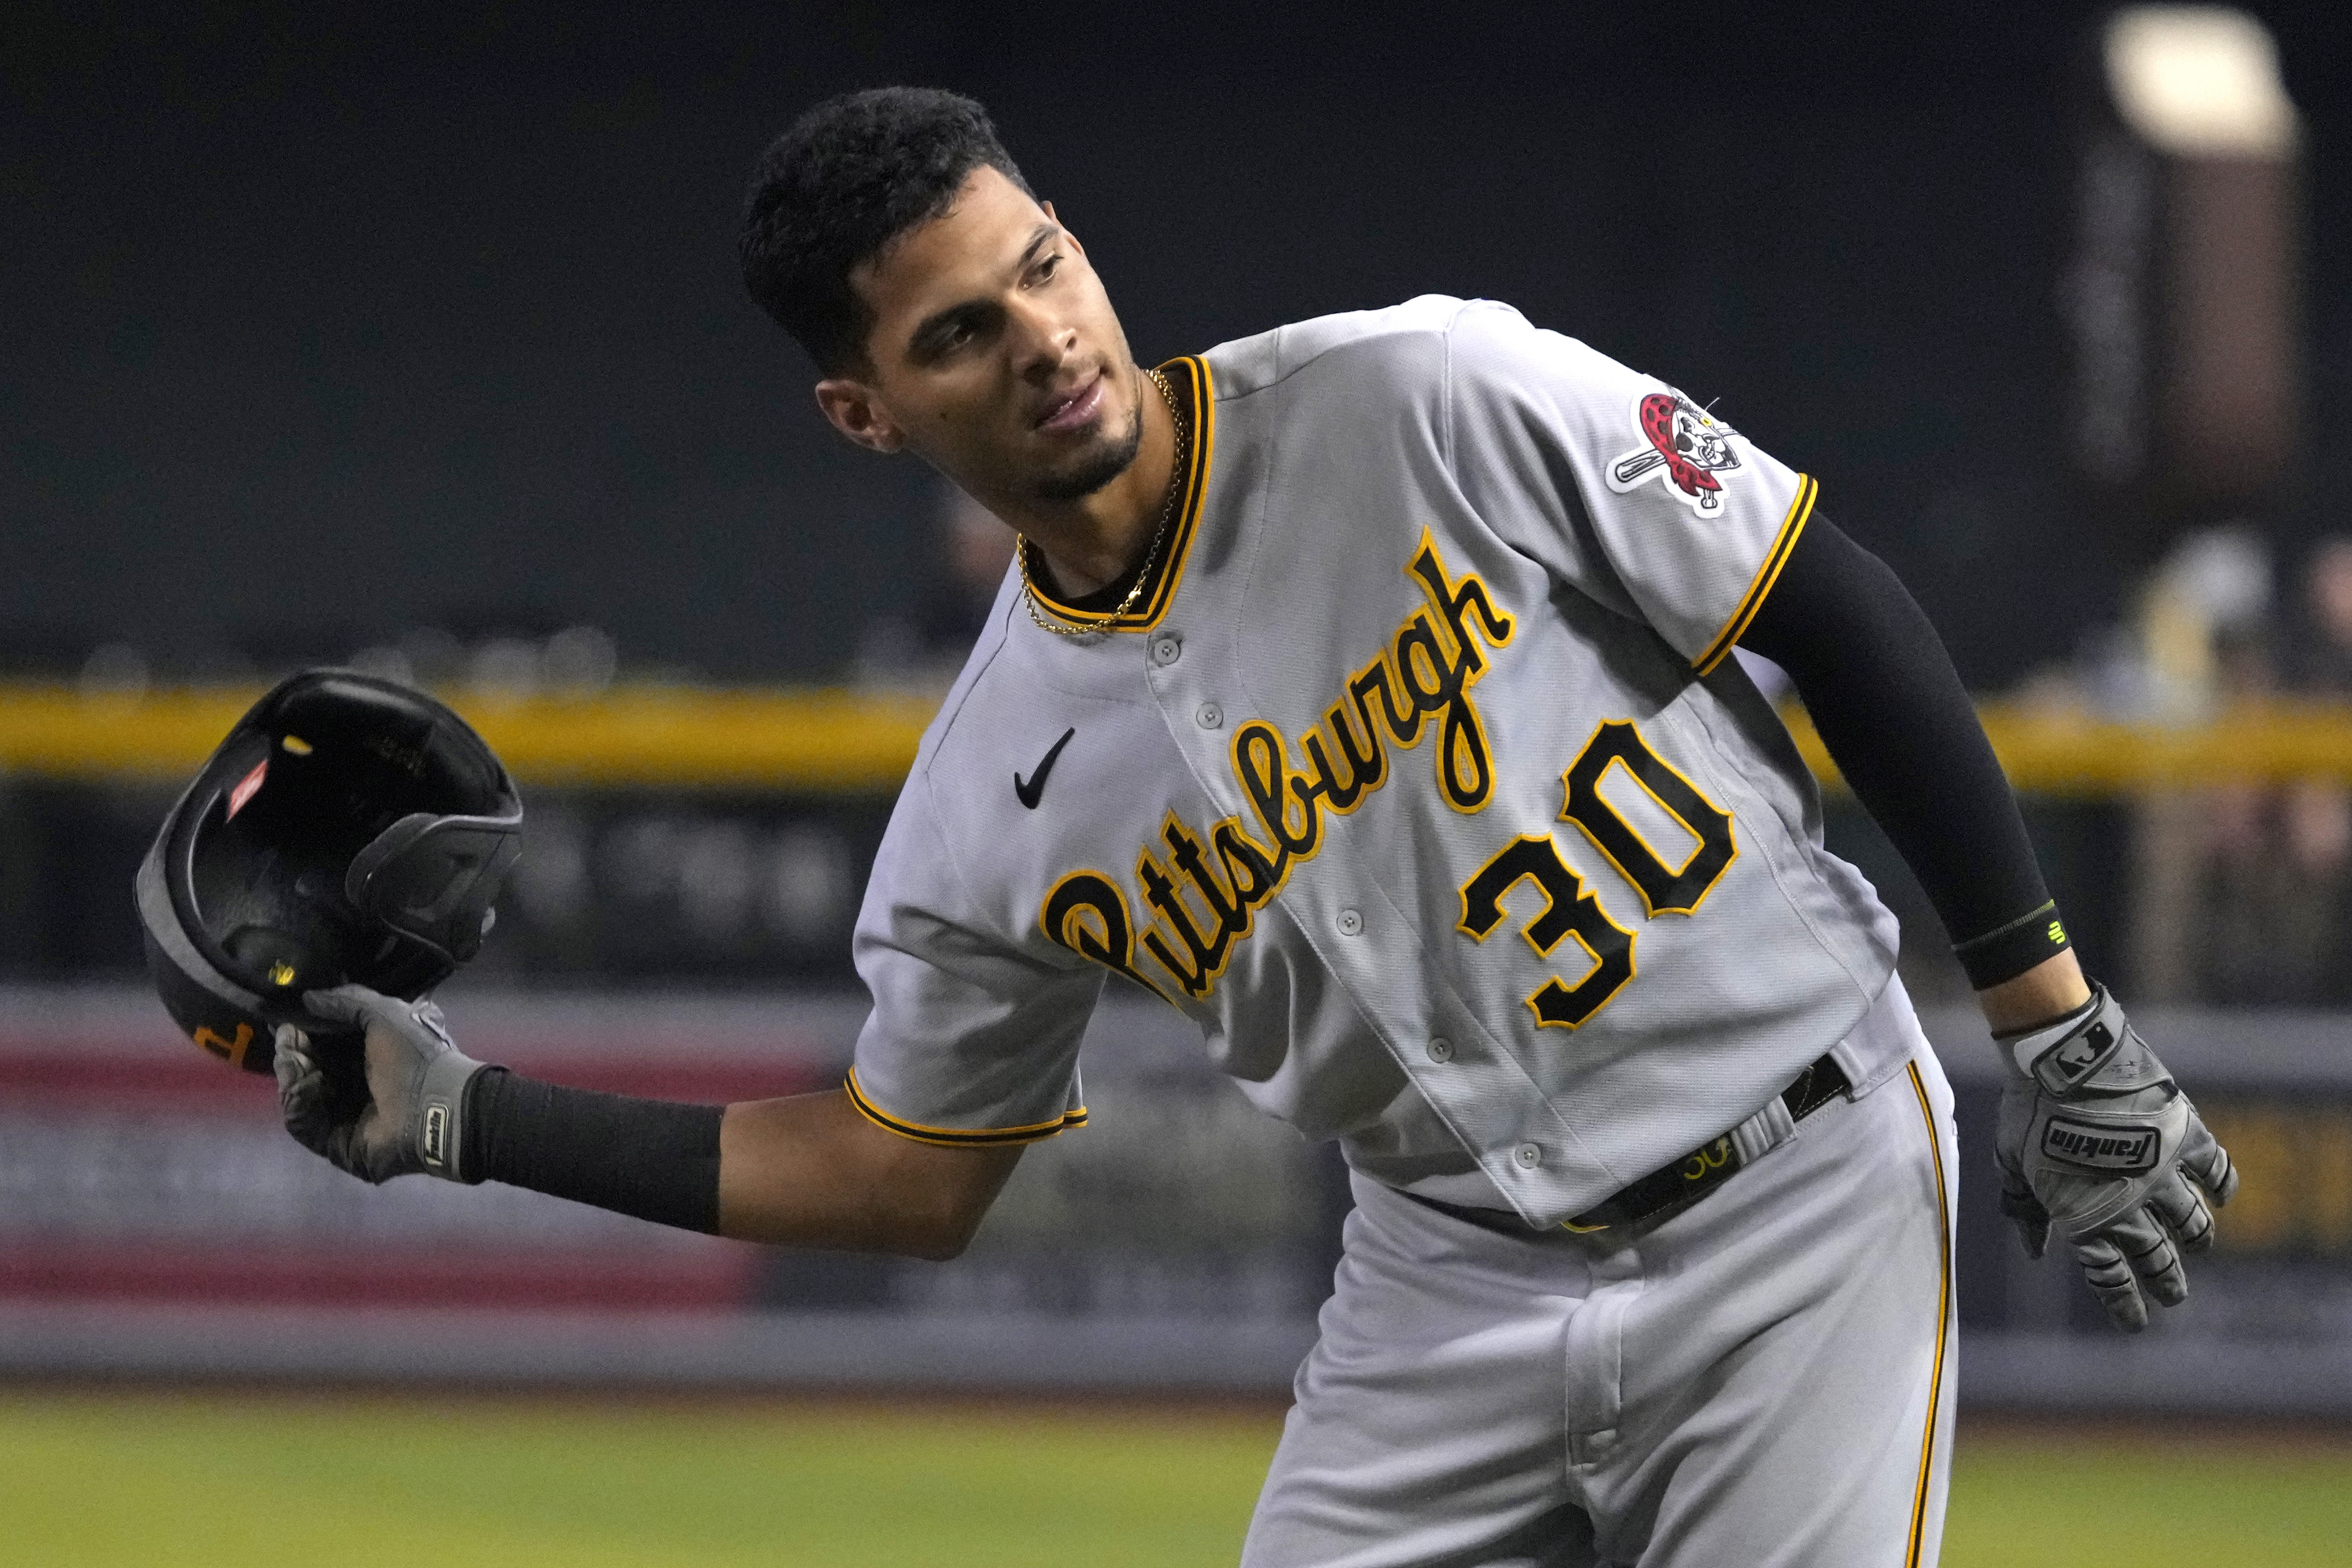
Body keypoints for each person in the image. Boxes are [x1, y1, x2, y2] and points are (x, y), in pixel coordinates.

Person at [276, 88, 2239, 1567]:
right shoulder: (983, 805)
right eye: (955, 333)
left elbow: (1826, 602)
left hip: (1794, 1193)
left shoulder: (1424, 393)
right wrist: (468, 1118)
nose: (1040, 338)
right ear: (862, 412)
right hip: (1444, 1282)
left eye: (1040, 264)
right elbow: (897, 1173)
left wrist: (2052, 1021)